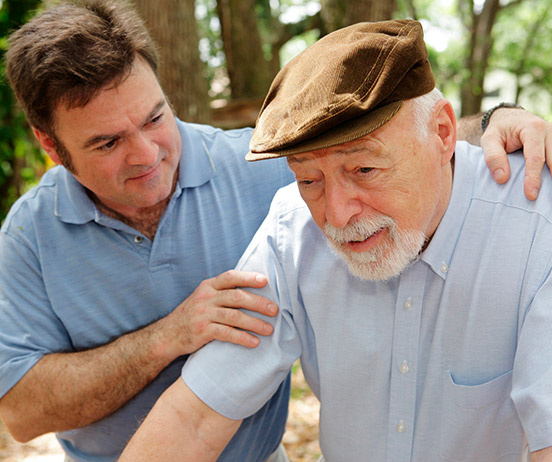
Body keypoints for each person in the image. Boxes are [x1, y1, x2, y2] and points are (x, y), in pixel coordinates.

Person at [0, 2, 549, 461]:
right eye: (106, 142)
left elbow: (411, 130)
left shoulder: (252, 168)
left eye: (154, 118)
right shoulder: (29, 237)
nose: (335, 213)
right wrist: (165, 338)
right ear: (52, 146)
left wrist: (504, 116)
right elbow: (27, 413)